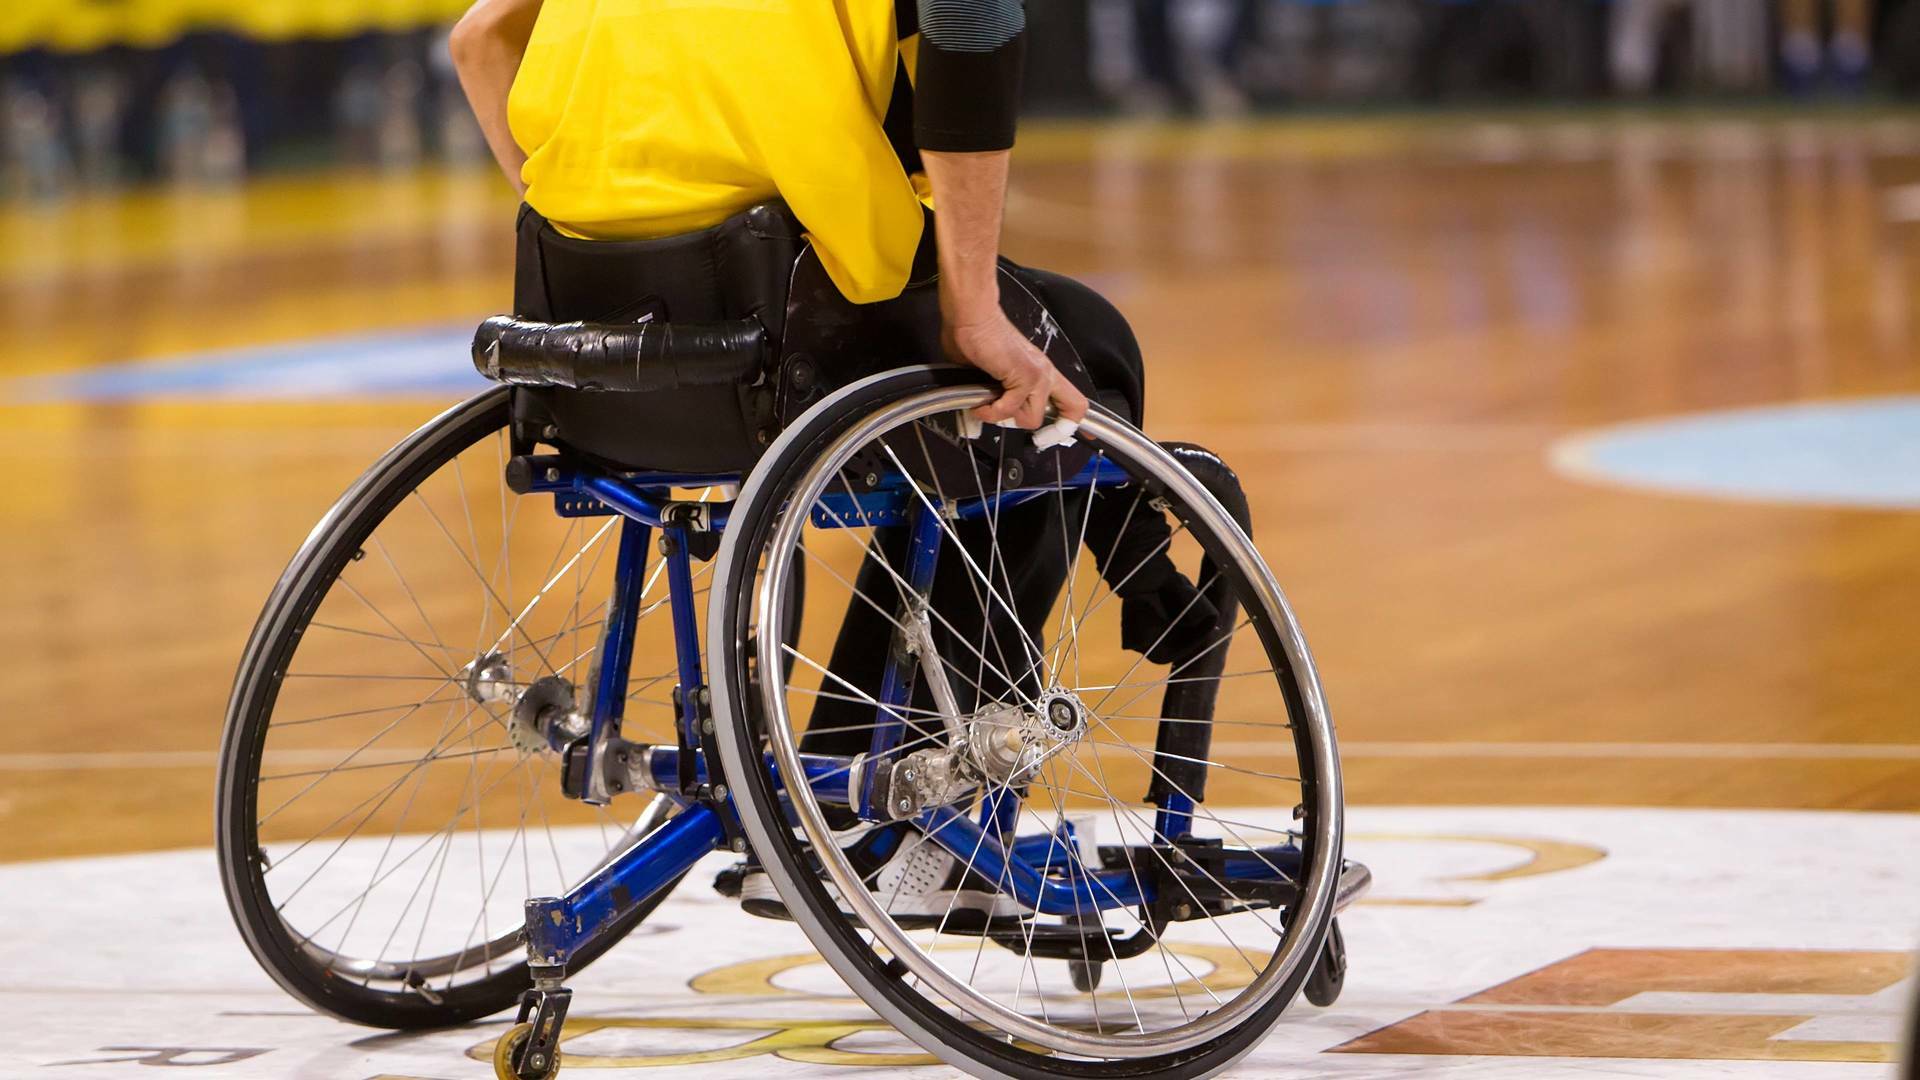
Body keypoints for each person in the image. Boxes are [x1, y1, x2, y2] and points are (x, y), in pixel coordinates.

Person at [450, 0, 1209, 918]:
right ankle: (902, 809)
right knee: (1067, 355)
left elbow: (480, 38)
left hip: (591, 333)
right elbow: (973, 24)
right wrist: (972, 307)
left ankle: (850, 784)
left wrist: (591, 232)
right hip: (773, 307)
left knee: (984, 385)